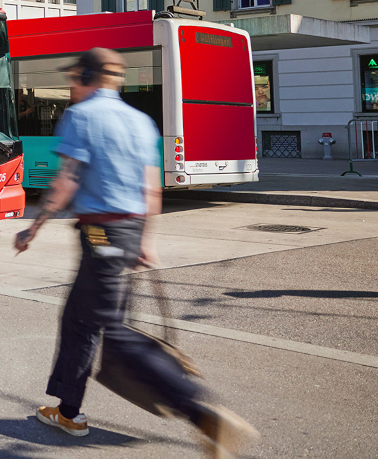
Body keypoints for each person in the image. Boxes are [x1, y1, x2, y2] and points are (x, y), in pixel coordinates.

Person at [14, 48, 257, 458]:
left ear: (88, 75)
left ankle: (199, 410)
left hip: (102, 235)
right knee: (78, 318)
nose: (70, 85)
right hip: (125, 232)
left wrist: (33, 227)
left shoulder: (82, 116)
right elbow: (151, 188)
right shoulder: (141, 121)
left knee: (112, 329)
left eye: (74, 77)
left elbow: (67, 180)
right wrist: (145, 240)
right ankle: (68, 411)